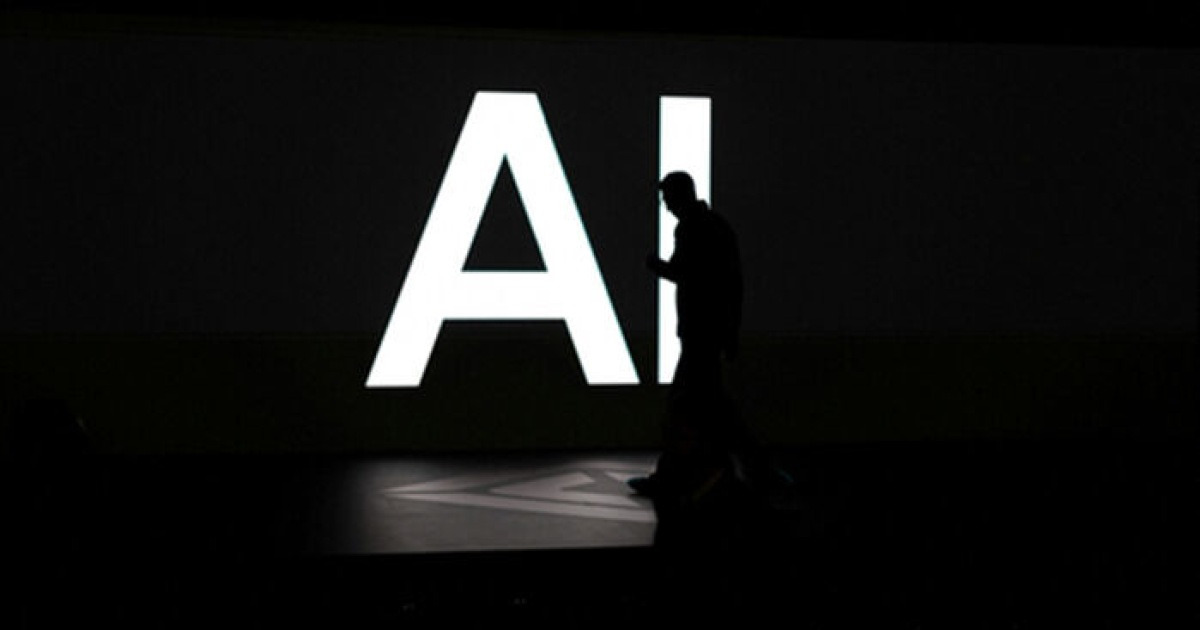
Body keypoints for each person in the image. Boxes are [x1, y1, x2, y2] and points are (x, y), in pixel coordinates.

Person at [630, 171, 743, 506]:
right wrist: (732, 331)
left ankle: (671, 476)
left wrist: (654, 265)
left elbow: (685, 275)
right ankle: (744, 471)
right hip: (711, 332)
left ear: (679, 196)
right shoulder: (719, 226)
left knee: (682, 406)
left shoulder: (691, 228)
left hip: (698, 333)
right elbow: (734, 284)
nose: (665, 207)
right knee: (715, 408)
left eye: (667, 200)